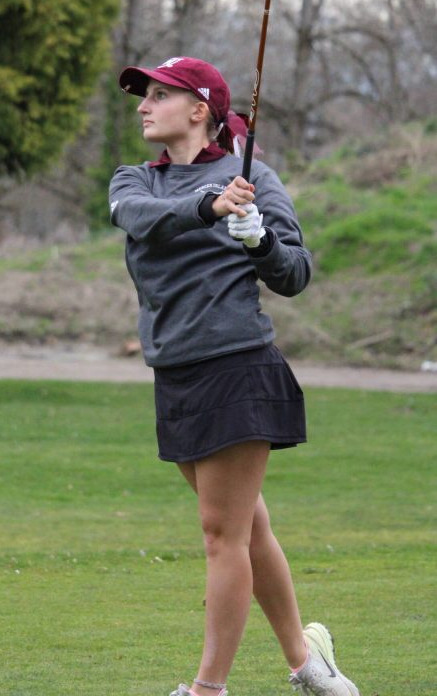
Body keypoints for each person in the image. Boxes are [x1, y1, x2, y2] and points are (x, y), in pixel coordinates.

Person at [108, 56, 360, 696]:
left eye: (160, 95)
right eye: (144, 95)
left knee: (222, 534)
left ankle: (208, 689)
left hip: (237, 365)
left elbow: (295, 273)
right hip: (175, 370)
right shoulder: (134, 180)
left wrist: (260, 241)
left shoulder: (255, 177)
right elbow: (141, 219)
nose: (143, 106)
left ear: (200, 110)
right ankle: (308, 661)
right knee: (250, 528)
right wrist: (208, 205)